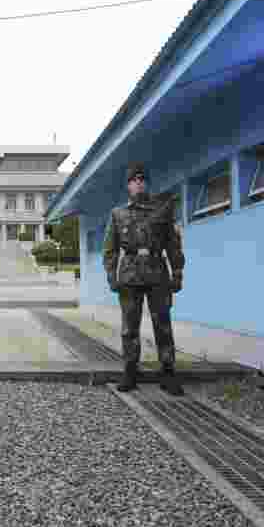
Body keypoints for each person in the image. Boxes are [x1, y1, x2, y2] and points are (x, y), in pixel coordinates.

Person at [103, 163, 185, 395]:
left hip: (158, 273)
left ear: (147, 183)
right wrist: (111, 275)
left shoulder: (162, 210)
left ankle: (168, 373)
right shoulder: (118, 214)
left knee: (163, 326)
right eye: (134, 179)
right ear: (128, 185)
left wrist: (177, 272)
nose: (138, 182)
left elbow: (172, 244)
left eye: (142, 179)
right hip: (129, 276)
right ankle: (130, 371)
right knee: (130, 328)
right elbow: (109, 249)